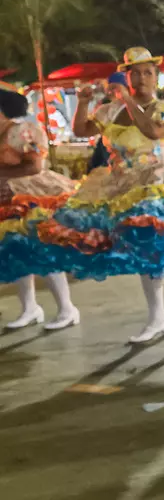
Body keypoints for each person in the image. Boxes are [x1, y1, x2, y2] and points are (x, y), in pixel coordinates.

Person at [69, 48, 164, 345]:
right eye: (135, 73)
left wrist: (127, 100)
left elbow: (153, 131)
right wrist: (82, 103)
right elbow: (81, 130)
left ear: (156, 77)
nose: (141, 78)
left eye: (148, 73)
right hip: (124, 185)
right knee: (144, 251)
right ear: (126, 77)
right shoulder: (110, 110)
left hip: (160, 184)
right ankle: (158, 318)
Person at [0, 88, 80, 331]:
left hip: (29, 195)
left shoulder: (22, 131)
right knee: (16, 250)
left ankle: (66, 308)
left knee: (42, 248)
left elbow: (35, 166)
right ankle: (30, 307)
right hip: (6, 198)